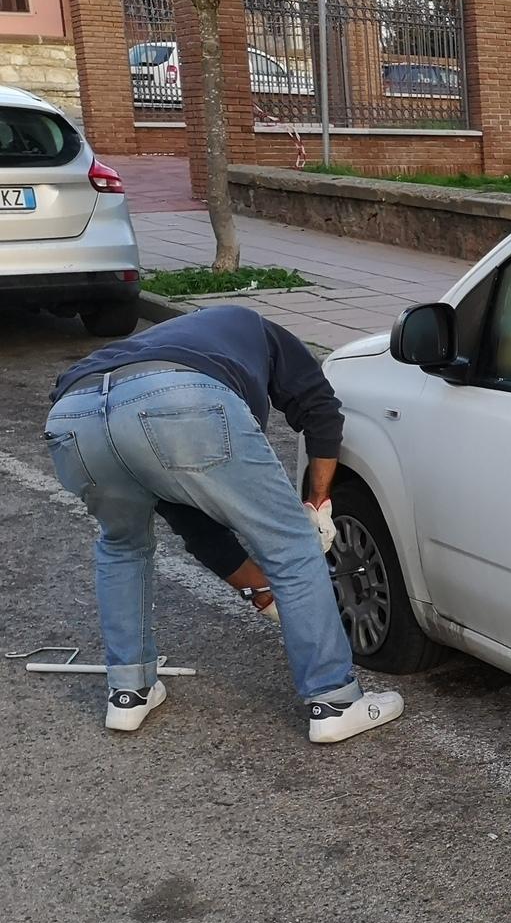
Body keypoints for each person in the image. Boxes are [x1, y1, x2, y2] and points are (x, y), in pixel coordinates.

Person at [45, 306, 403, 743]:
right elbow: (321, 409)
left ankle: (128, 693)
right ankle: (335, 702)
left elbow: (185, 511)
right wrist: (316, 502)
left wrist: (258, 588)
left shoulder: (180, 339)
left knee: (122, 546)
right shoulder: (259, 328)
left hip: (74, 413)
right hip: (179, 398)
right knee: (291, 543)